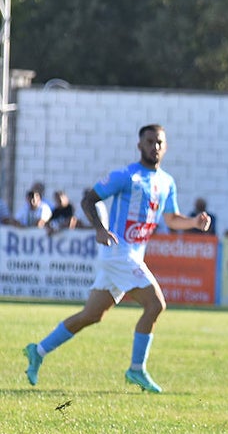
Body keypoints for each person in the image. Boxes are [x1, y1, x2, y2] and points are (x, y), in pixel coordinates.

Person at [23, 125, 212, 392]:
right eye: (149, 142)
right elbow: (89, 200)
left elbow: (171, 218)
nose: (155, 147)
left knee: (92, 315)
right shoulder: (126, 176)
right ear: (139, 146)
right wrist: (100, 229)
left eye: (159, 142)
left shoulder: (167, 182)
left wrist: (193, 222)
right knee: (156, 304)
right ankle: (136, 369)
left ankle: (38, 350)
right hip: (118, 253)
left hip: (130, 255)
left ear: (166, 147)